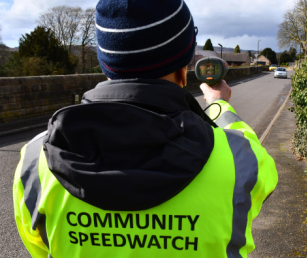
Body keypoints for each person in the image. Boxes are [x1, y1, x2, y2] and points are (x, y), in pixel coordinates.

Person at [13, 0, 278, 257]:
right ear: (184, 71)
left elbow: (40, 247)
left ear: (106, 65)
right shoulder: (240, 159)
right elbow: (260, 171)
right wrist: (220, 108)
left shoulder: (35, 158)